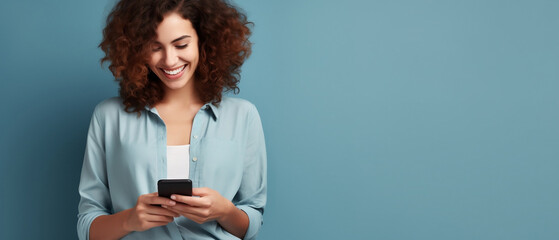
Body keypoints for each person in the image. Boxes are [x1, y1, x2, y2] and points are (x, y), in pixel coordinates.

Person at [76, 0, 267, 239]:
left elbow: (252, 220)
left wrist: (224, 211)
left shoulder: (243, 117)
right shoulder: (108, 117)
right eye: (155, 47)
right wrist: (130, 219)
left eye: (181, 44)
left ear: (204, 41)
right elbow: (88, 225)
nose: (169, 60)